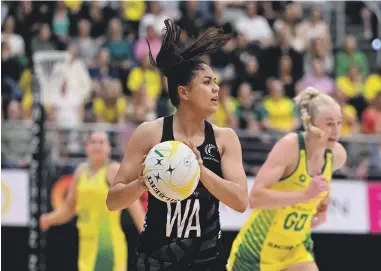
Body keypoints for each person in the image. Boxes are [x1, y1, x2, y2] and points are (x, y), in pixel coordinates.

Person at [106, 19, 248, 271]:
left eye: (215, 81)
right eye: (207, 82)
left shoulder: (225, 138)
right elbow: (113, 201)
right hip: (155, 261)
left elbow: (240, 201)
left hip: (207, 262)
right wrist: (141, 183)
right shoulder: (150, 133)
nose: (216, 88)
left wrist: (201, 172)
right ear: (183, 92)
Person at [227, 87, 347, 271]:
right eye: (329, 123)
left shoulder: (336, 154)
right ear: (310, 123)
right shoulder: (291, 146)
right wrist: (305, 195)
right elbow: (255, 198)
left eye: (339, 123)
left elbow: (322, 183)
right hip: (257, 251)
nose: (337, 131)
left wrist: (322, 205)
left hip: (296, 249)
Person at [40, 131, 146, 271]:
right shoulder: (80, 171)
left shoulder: (112, 170)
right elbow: (69, 209)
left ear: (108, 147)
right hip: (86, 248)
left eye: (102, 142)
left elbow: (134, 206)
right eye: (93, 142)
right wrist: (49, 219)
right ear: (86, 146)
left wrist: (147, 237)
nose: (97, 146)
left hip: (107, 247)